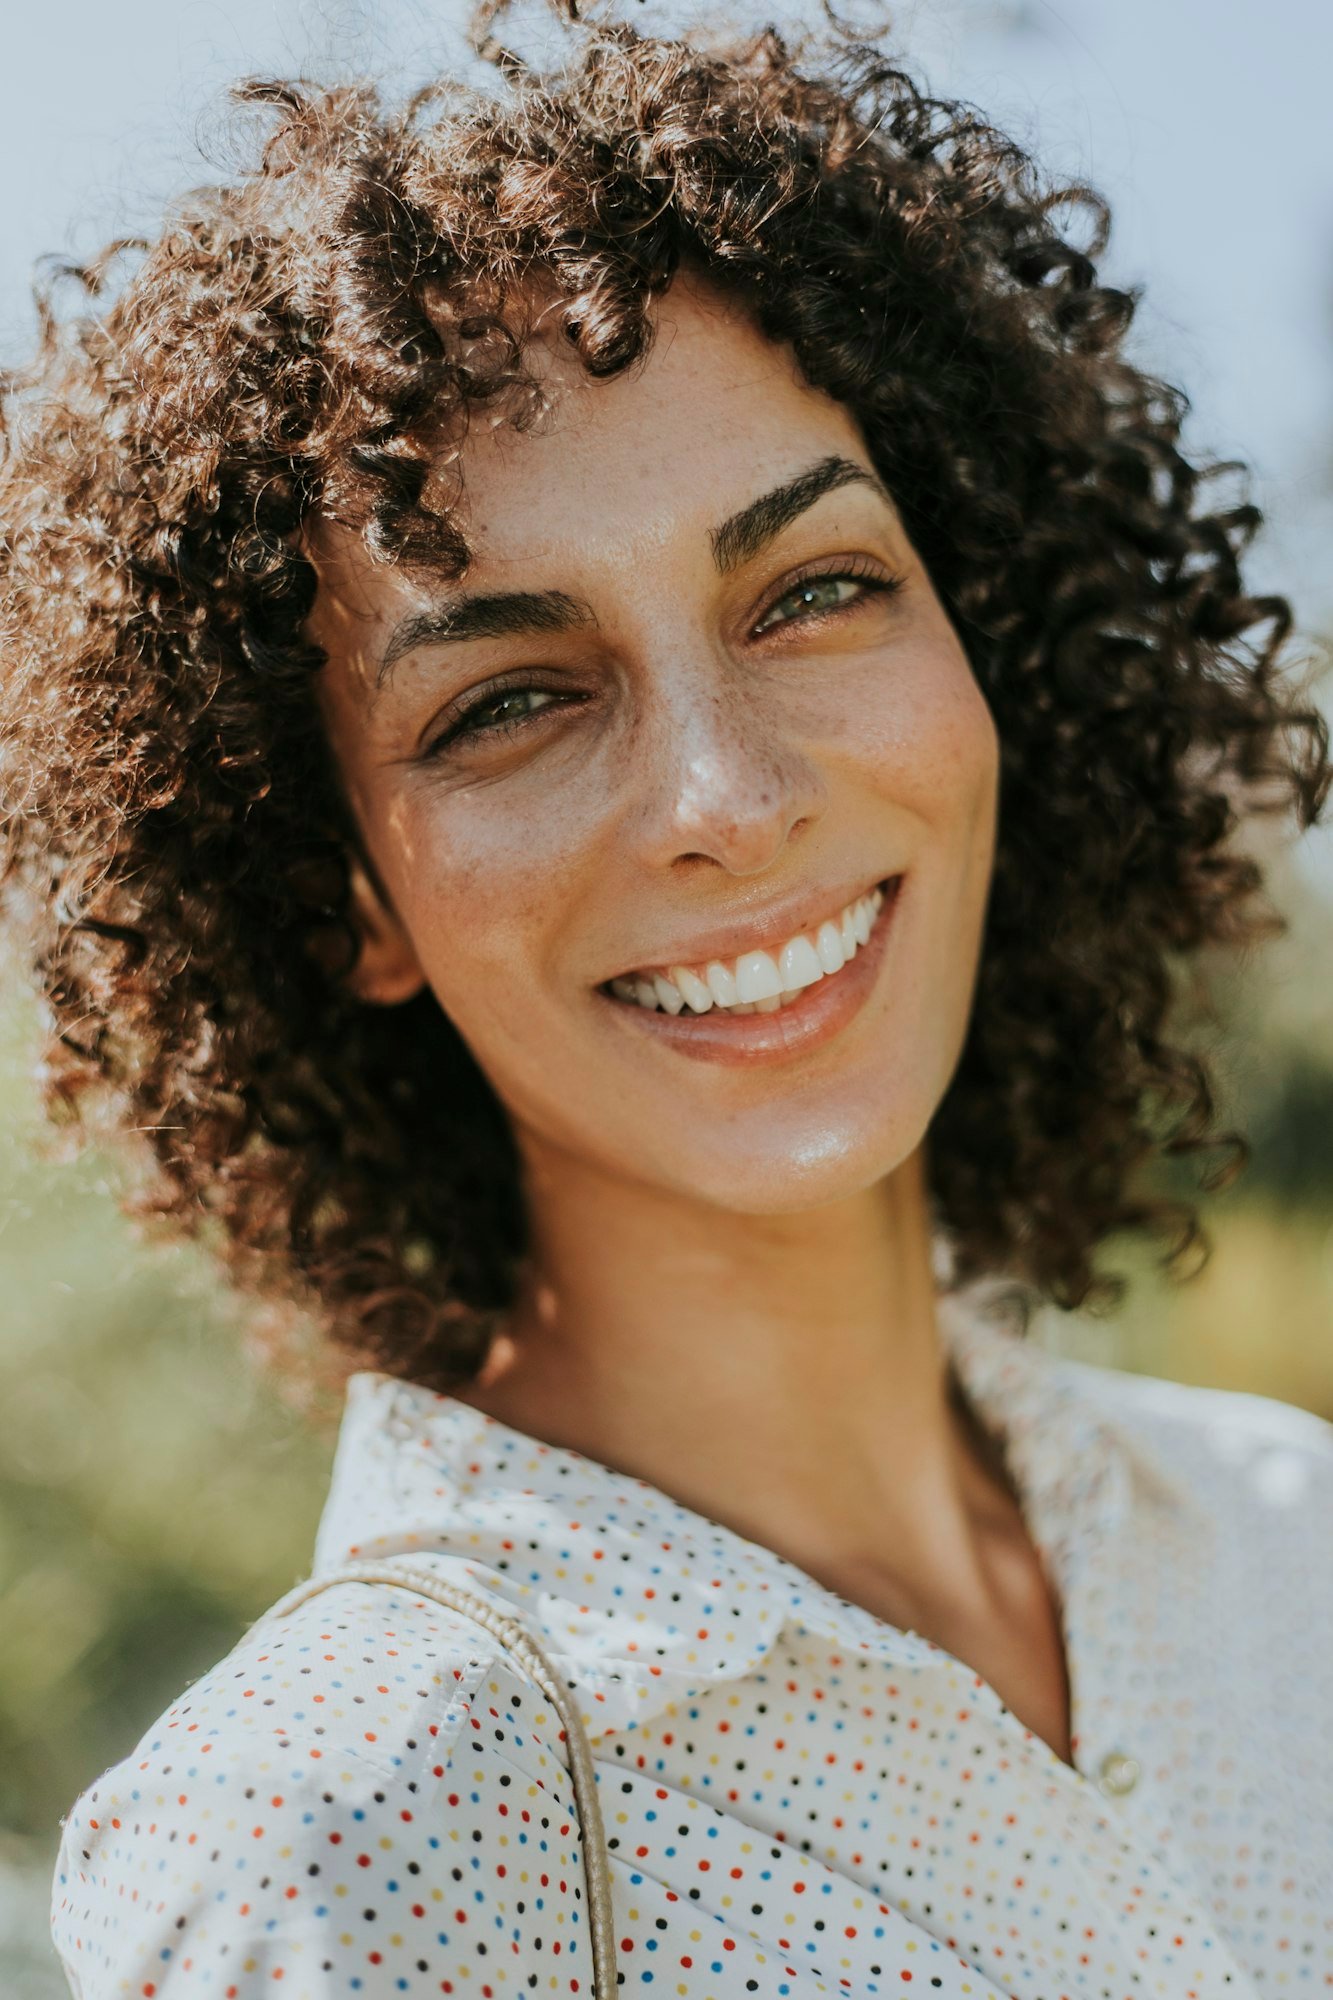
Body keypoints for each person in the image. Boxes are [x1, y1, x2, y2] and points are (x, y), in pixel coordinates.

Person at [2, 1, 1329, 1992]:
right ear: (345, 899)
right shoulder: (343, 1838)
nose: (728, 802)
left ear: (988, 647)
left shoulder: (1283, 1541)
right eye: (511, 701)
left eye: (813, 590)